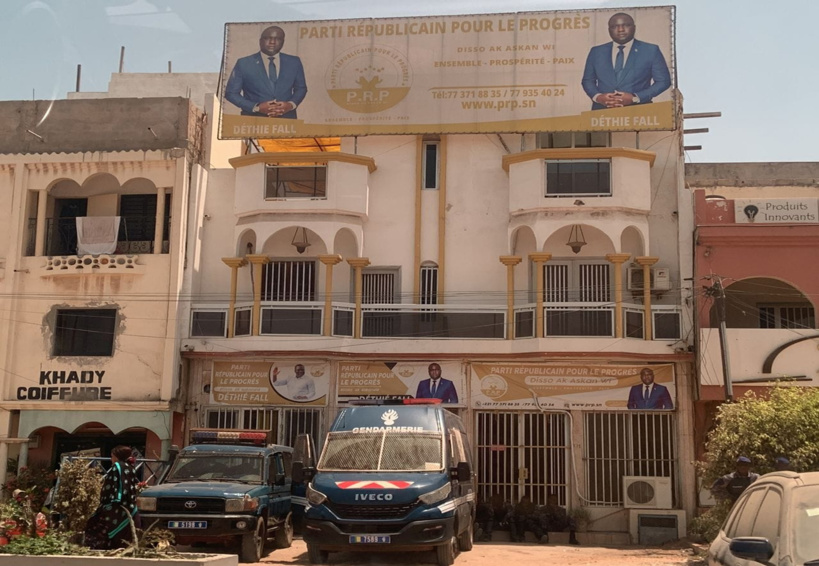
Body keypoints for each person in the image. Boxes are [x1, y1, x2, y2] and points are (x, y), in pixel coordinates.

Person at [581, 12, 671, 110]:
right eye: (614, 26)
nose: (621, 30)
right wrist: (598, 97)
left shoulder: (650, 50)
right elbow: (587, 81)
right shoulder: (596, 52)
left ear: (634, 27)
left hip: (639, 112)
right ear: (609, 30)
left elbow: (663, 81)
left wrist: (635, 97)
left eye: (626, 25)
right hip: (601, 112)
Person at [225, 25, 307, 119]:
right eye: (267, 38)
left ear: (283, 42)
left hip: (287, 121)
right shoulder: (244, 63)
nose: (272, 42)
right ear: (260, 41)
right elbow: (231, 93)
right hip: (252, 121)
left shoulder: (294, 62)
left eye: (278, 39)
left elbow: (301, 88)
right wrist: (256, 107)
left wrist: (290, 105)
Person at [84, 446, 141, 550]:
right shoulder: (130, 467)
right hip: (130, 505)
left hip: (116, 507)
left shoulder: (118, 466)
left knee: (95, 525)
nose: (111, 459)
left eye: (112, 456)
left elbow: (119, 483)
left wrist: (116, 499)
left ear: (117, 456)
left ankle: (101, 549)